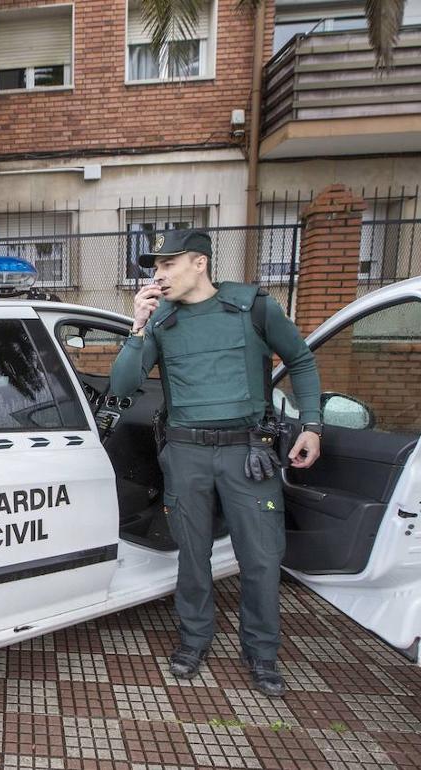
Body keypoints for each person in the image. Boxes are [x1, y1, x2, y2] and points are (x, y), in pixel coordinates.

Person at [109, 229, 322, 698]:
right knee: (193, 555)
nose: (158, 275)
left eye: (168, 264)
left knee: (262, 559)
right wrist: (137, 327)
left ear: (199, 263)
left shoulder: (254, 307)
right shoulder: (160, 321)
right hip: (185, 456)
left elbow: (301, 361)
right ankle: (194, 639)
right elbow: (122, 387)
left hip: (248, 454)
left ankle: (262, 653)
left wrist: (311, 425)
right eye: (156, 268)